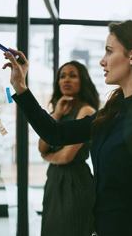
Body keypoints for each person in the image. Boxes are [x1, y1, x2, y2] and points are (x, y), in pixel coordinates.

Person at [3, 20, 132, 236]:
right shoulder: (115, 110)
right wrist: (20, 86)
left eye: (109, 51)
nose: (102, 61)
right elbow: (56, 133)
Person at [38, 61, 99, 236]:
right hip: (54, 179)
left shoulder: (86, 111)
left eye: (72, 75)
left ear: (82, 81)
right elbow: (42, 146)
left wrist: (48, 157)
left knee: (71, 229)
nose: (66, 80)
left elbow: (66, 156)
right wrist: (56, 114)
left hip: (75, 181)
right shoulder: (60, 108)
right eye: (62, 76)